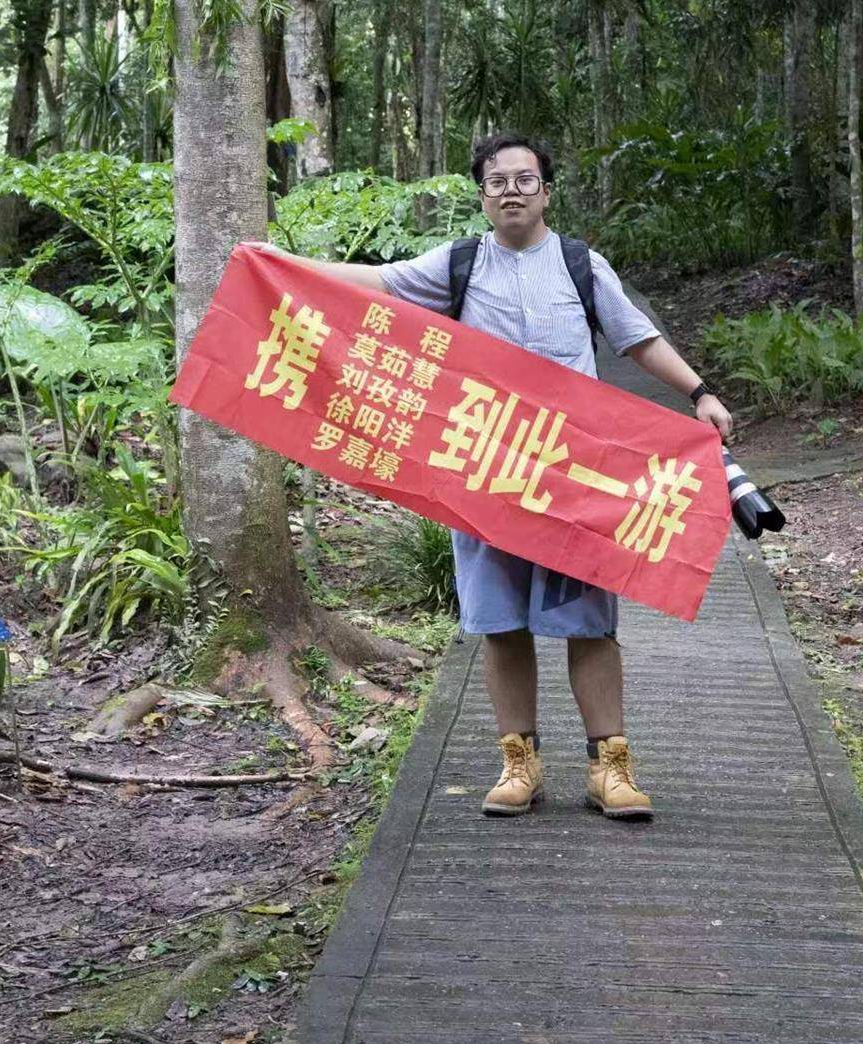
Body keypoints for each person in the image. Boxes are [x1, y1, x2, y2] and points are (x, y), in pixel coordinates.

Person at [296, 132, 733, 822]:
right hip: (484, 471)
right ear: (482, 195)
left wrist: (700, 392)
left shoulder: (582, 265)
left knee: (589, 621)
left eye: (524, 180)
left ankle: (610, 767)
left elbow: (636, 338)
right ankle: (519, 763)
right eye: (497, 181)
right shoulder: (460, 263)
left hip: (577, 477)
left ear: (547, 191)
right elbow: (382, 283)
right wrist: (281, 263)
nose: (511, 190)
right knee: (502, 623)